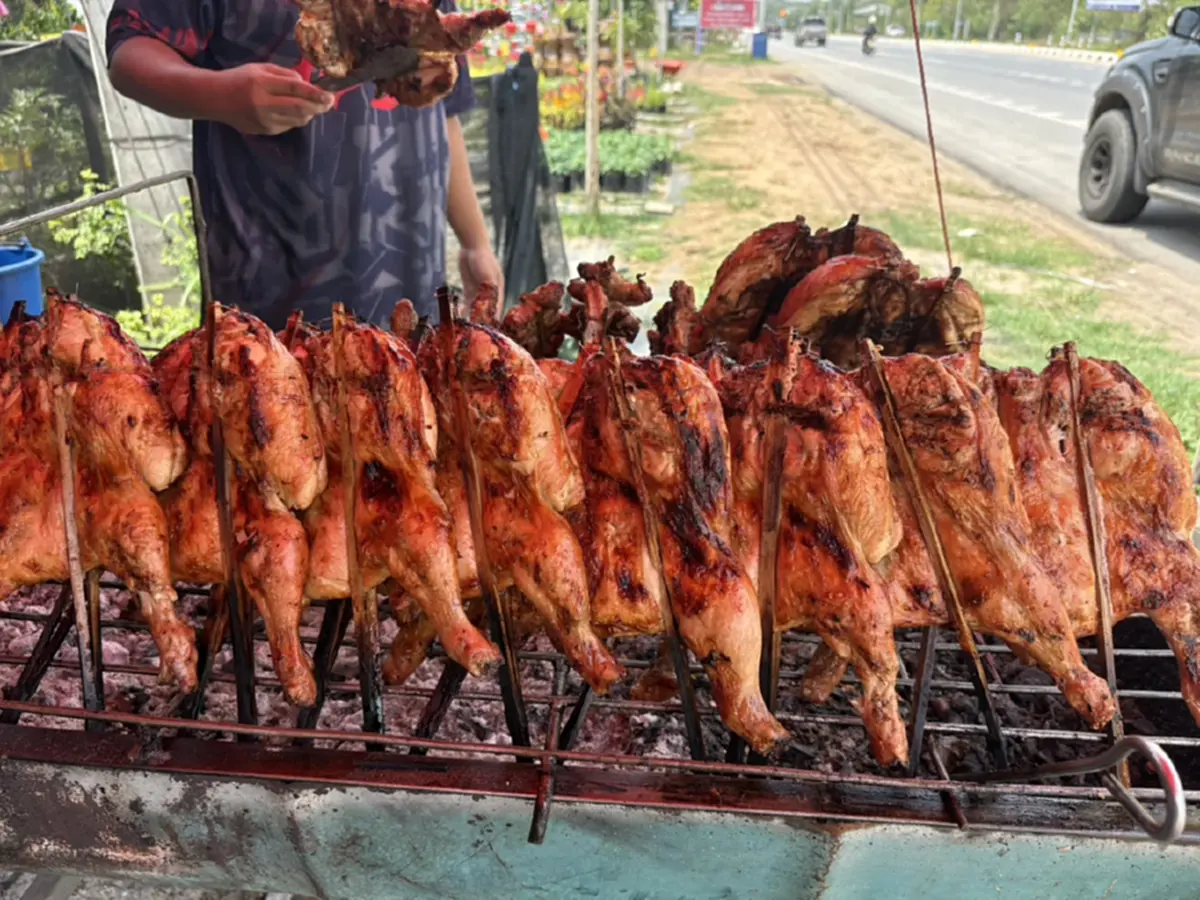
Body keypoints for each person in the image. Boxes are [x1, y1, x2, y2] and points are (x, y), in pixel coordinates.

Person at [105, 0, 503, 330]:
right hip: (279, 291)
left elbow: (444, 113)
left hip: (411, 277)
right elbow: (131, 46)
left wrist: (475, 243)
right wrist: (219, 96)